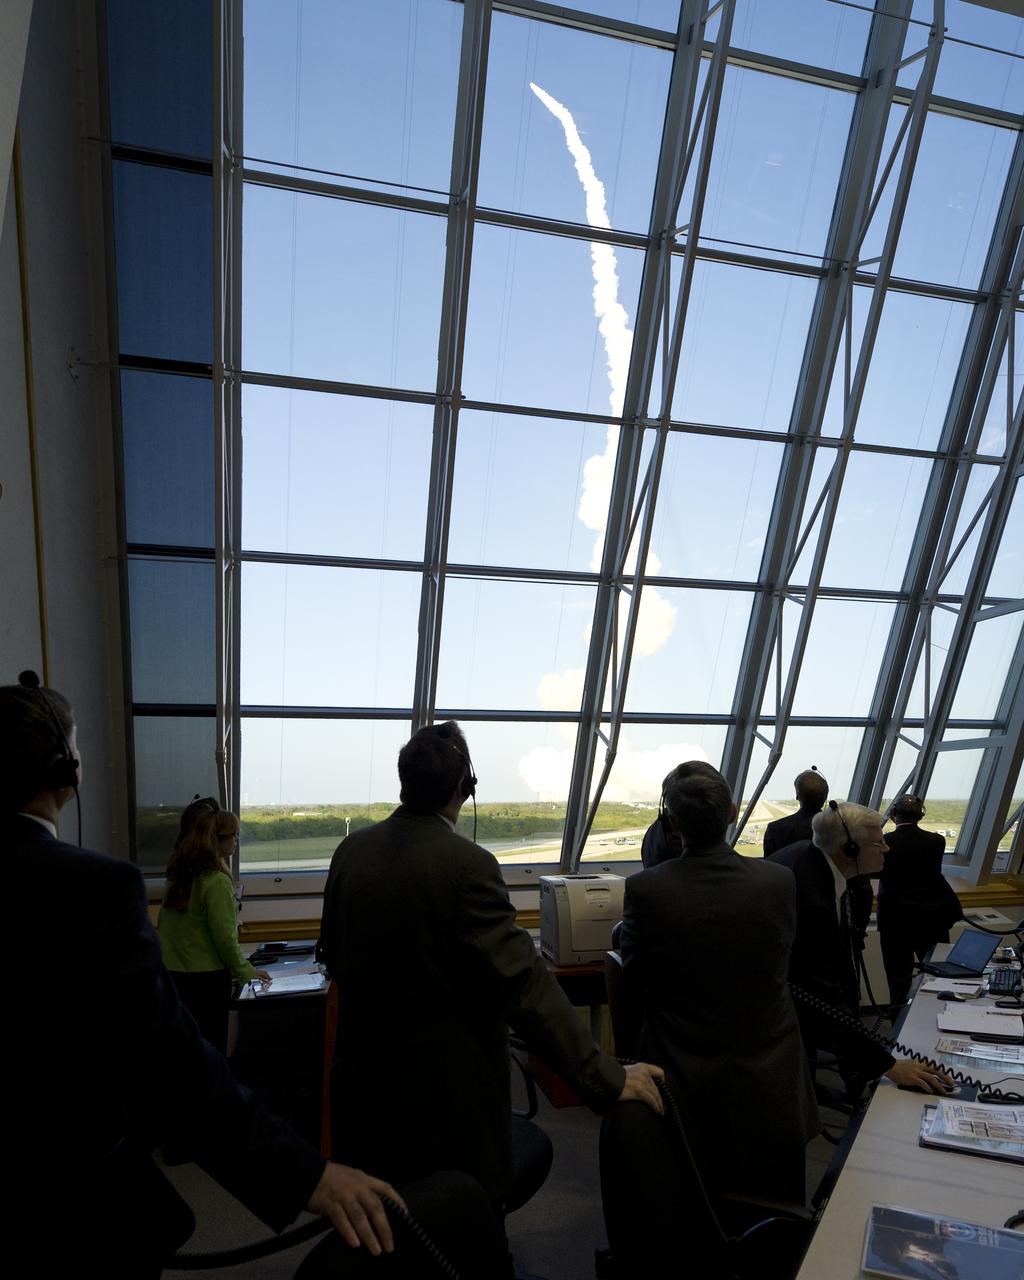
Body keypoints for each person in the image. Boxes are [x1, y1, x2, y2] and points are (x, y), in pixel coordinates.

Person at [1, 673, 485, 1277]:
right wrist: (308, 1175)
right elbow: (176, 1066)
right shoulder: (92, 889)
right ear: (67, 772)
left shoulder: (343, 852)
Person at [318, 721, 665, 1217]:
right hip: (441, 1118)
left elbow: (333, 952)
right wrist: (606, 1077)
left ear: (404, 782)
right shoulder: (469, 864)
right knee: (463, 1229)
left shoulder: (350, 851)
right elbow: (526, 989)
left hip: (364, 1106)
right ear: (465, 786)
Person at [619, 763, 818, 1204]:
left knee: (689, 1217)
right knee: (777, 1228)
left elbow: (634, 975)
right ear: (732, 813)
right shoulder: (779, 881)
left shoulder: (646, 890)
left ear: (671, 821)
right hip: (772, 1083)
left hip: (684, 1085)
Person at [768, 802, 955, 1098]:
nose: (887, 849)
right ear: (850, 849)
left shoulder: (817, 861)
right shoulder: (811, 897)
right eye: (879, 842)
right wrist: (888, 1066)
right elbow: (819, 991)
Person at [157, 796, 271, 1053]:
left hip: (175, 978)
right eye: (234, 835)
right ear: (217, 840)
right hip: (206, 983)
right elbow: (224, 939)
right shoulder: (216, 882)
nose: (237, 840)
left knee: (187, 1051)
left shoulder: (179, 877)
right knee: (211, 1050)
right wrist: (246, 971)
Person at [878, 794, 964, 1007]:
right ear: (921, 815)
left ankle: (897, 1027)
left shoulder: (885, 843)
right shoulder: (937, 841)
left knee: (898, 979)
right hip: (931, 920)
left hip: (895, 923)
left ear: (893, 814)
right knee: (937, 975)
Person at [762, 767, 828, 857]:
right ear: (825, 797)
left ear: (797, 796)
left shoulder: (775, 829)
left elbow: (769, 865)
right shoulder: (838, 829)